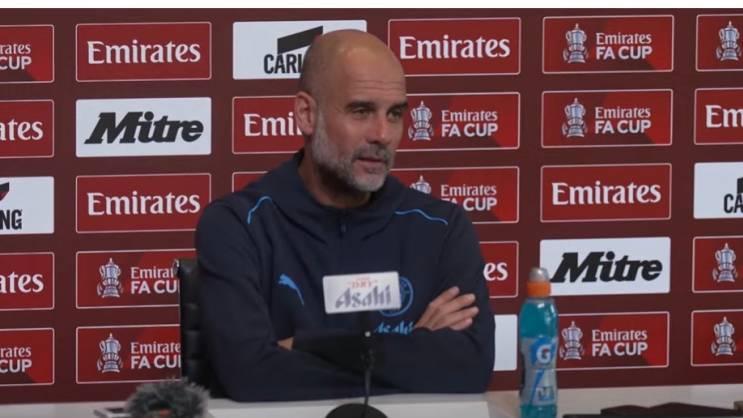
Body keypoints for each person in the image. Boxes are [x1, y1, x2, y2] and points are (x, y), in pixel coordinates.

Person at [196, 29, 494, 402]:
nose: (382, 134)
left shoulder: (442, 228)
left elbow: (469, 367)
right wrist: (414, 350)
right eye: (361, 111)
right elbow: (250, 375)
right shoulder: (238, 225)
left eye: (395, 114)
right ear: (307, 114)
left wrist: (304, 346)